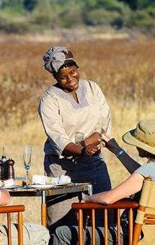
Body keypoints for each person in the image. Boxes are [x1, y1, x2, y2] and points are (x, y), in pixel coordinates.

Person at [48, 119, 155, 245]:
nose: (135, 145)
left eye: (138, 143)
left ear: (147, 147)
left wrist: (87, 199)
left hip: (130, 236)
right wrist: (117, 150)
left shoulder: (147, 172)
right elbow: (139, 171)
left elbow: (108, 198)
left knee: (63, 233)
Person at [38, 45, 113, 229]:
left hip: (94, 163)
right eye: (63, 77)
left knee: (104, 221)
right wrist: (81, 150)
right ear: (55, 78)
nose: (70, 79)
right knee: (62, 225)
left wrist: (88, 149)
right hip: (62, 170)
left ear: (77, 68)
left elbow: (104, 125)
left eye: (72, 72)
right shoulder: (49, 100)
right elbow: (58, 138)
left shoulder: (93, 88)